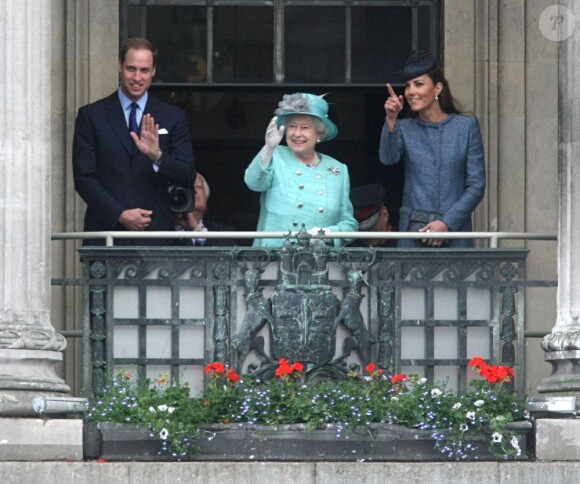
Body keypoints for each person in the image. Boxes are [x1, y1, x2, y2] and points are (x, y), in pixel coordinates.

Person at [73, 37, 196, 246]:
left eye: (144, 70)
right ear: (119, 66)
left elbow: (186, 175)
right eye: (131, 69)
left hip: (156, 236)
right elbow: (84, 178)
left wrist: (157, 156)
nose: (137, 77)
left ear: (154, 71)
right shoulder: (91, 115)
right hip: (107, 234)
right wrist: (119, 213)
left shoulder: (173, 117)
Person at [379, 50, 485, 248]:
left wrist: (447, 223)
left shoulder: (465, 126)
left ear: (437, 89)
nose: (411, 91)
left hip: (455, 231)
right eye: (408, 86)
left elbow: (476, 185)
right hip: (413, 231)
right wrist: (391, 119)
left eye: (418, 84)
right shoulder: (405, 127)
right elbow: (388, 158)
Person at [244, 92, 358, 247]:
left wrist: (326, 235)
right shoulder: (274, 155)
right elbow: (253, 183)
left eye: (304, 127)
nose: (297, 134)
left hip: (320, 261)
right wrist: (268, 148)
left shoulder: (337, 170)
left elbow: (349, 225)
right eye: (292, 126)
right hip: (272, 259)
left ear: (319, 133)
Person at [174, 173, 236, 246]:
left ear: (206, 196)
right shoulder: (158, 231)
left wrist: (196, 228)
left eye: (197, 187)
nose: (192, 191)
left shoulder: (226, 234)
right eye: (185, 188)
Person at [349, 183, 393, 248]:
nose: (365, 235)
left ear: (384, 215)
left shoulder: (403, 242)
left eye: (370, 229)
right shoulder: (349, 248)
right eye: (361, 230)